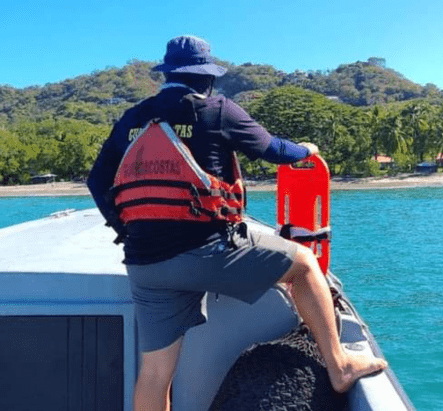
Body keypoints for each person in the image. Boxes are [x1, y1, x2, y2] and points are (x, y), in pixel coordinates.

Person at [87, 35, 387, 411]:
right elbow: (274, 150)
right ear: (206, 77)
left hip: (145, 264)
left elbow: (97, 180)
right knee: (304, 266)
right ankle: (340, 366)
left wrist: (125, 228)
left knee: (155, 374)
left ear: (168, 74)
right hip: (206, 251)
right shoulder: (217, 110)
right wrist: (306, 150)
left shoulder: (133, 118)